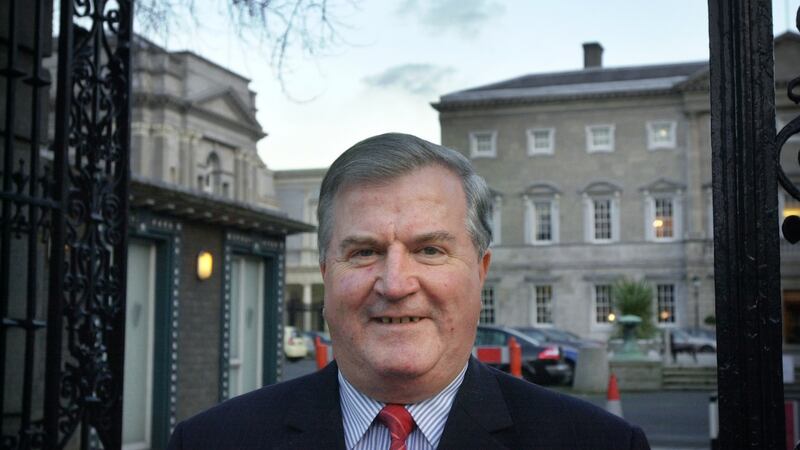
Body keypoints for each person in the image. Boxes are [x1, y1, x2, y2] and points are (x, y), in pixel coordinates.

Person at [168, 133, 650, 449]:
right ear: (326, 275)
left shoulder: (598, 443)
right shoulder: (210, 442)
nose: (395, 284)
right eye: (363, 252)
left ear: (480, 272)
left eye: (430, 250)